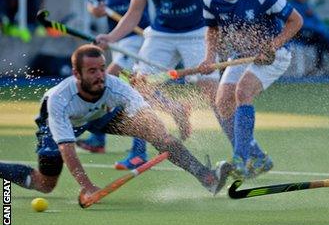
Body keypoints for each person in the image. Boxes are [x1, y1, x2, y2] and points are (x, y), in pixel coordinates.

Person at [0, 45, 231, 200]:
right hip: (64, 123)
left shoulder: (115, 86)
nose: (100, 75)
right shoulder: (60, 99)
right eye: (92, 71)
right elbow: (67, 149)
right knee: (45, 184)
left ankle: (206, 177)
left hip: (101, 113)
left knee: (156, 133)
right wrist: (88, 187)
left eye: (102, 68)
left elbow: (145, 113)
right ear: (76, 74)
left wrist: (160, 134)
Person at [95, 0, 222, 141]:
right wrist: (111, 37)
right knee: (139, 86)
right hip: (161, 34)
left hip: (196, 33)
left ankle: (242, 151)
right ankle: (175, 110)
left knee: (211, 90)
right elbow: (134, 13)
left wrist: (221, 35)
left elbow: (218, 2)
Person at [201, 0, 303, 179]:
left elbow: (296, 21)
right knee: (223, 103)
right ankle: (258, 158)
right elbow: (213, 30)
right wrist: (209, 58)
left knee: (243, 92)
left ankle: (240, 159)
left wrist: (272, 46)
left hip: (273, 56)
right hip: (239, 56)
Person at [74, 0, 153, 170]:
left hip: (138, 39)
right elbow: (94, 4)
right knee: (127, 89)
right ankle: (99, 138)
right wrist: (94, 10)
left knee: (111, 81)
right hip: (116, 39)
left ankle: (139, 152)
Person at [291, 0, 329, 72]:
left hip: (313, 34)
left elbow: (318, 22)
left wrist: (312, 15)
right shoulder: (293, 6)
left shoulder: (307, 6)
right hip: (300, 34)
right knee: (321, 38)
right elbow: (295, 22)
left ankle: (320, 65)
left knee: (321, 39)